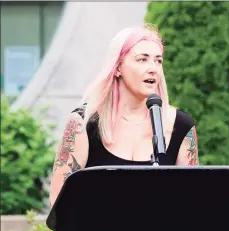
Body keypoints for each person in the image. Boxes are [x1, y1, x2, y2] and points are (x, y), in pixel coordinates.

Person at [49, 23, 199, 206]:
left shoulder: (181, 125)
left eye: (158, 60)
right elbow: (59, 202)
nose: (153, 68)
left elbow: (193, 200)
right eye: (142, 59)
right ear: (118, 67)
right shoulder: (84, 122)